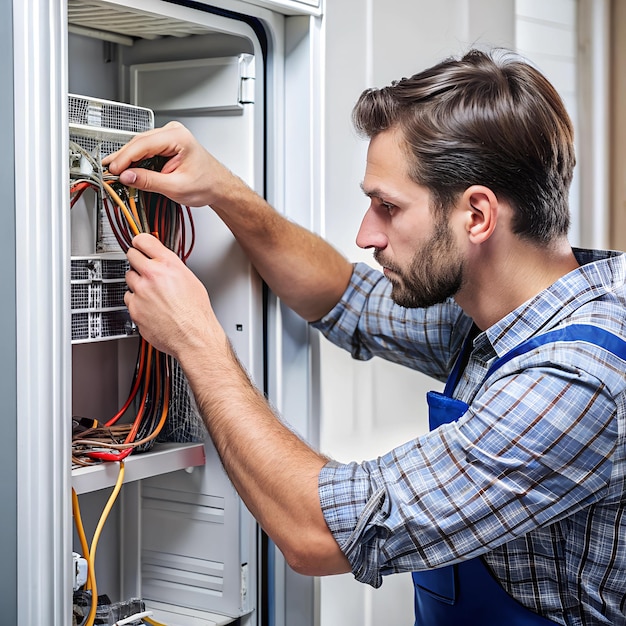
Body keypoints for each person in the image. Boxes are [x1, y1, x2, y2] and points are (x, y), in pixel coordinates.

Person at [103, 48, 626, 625]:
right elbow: (342, 296)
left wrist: (197, 341)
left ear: (477, 216)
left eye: (387, 207)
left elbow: (317, 531)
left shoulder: (576, 381)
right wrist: (223, 190)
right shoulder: (503, 306)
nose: (364, 233)